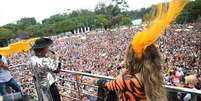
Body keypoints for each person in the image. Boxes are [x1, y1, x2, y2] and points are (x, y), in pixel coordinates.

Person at [98, 44, 167, 101]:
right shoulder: (150, 75)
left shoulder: (128, 80)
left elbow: (108, 85)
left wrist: (96, 81)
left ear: (131, 58)